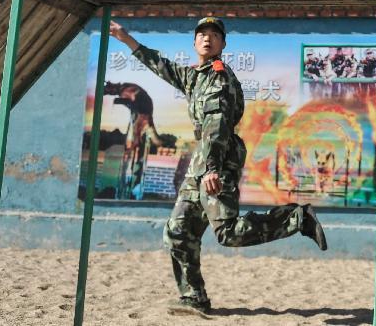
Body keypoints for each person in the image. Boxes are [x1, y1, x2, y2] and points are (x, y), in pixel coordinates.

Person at [109, 16, 327, 315]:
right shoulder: (195, 76)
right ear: (194, 42)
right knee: (178, 230)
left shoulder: (219, 78)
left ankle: (296, 218)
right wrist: (127, 39)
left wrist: (212, 168)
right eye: (201, 34)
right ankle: (194, 297)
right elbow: (162, 66)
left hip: (218, 157)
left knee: (228, 232)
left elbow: (216, 125)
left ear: (223, 44)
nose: (207, 38)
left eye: (214, 35)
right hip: (201, 160)